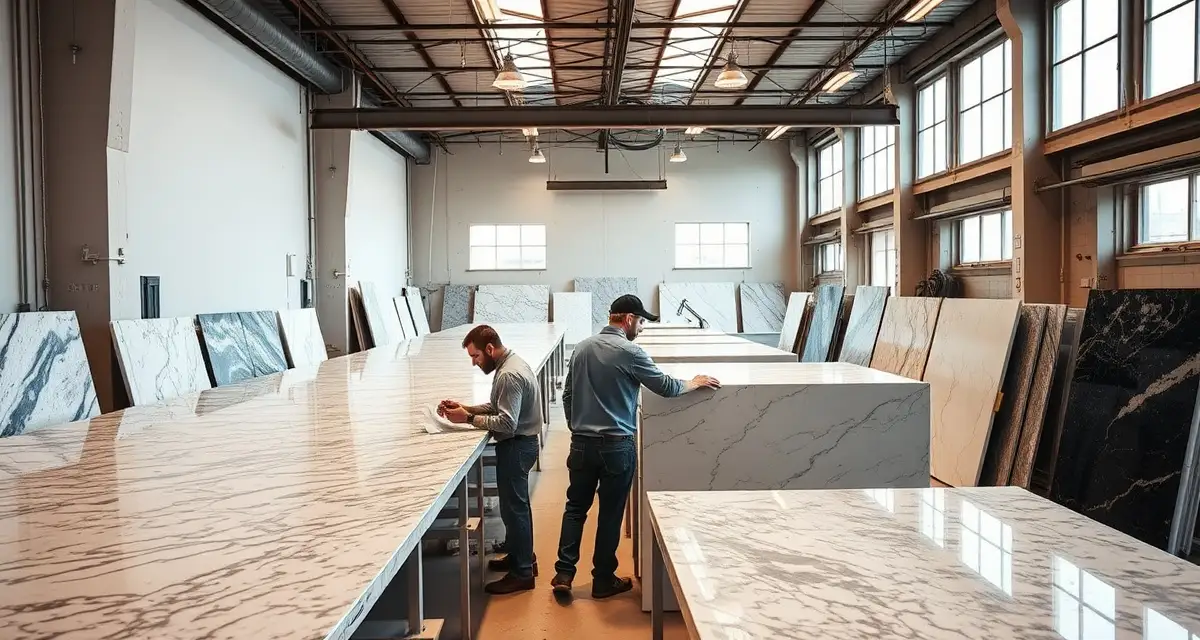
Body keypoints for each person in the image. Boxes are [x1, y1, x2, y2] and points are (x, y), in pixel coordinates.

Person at [551, 294, 720, 598]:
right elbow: (666, 386)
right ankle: (603, 580)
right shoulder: (631, 352)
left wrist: (577, 427)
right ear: (628, 319)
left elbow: (567, 396)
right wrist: (694, 382)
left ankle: (564, 573)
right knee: (610, 513)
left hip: (581, 446)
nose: (641, 328)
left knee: (575, 508)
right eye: (641, 322)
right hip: (617, 447)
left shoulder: (582, 348)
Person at [439, 324, 544, 595]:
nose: (474, 363)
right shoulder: (511, 363)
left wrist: (469, 419)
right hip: (521, 444)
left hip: (517, 446)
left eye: (475, 356)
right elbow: (499, 406)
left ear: (489, 348)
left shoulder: (508, 375)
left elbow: (507, 423)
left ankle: (522, 573)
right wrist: (465, 408)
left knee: (515, 509)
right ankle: (522, 557)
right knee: (514, 508)